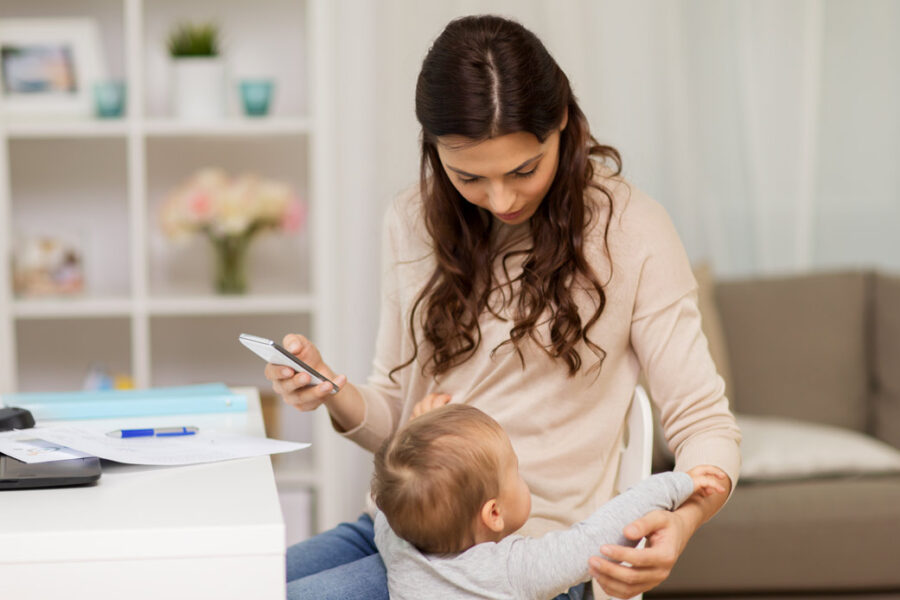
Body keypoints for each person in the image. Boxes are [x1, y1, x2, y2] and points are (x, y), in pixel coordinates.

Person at [267, 14, 741, 600]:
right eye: (469, 176)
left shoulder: (631, 231)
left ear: (561, 123)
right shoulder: (412, 222)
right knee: (216, 580)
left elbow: (705, 424)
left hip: (522, 562)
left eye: (524, 170)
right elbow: (396, 419)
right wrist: (329, 389)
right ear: (434, 149)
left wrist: (684, 521)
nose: (501, 199)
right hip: (399, 534)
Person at [371, 403, 727, 600]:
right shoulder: (513, 569)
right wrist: (673, 485)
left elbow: (389, 502)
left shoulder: (397, 544)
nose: (521, 473)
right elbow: (594, 538)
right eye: (516, 471)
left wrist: (416, 435)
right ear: (493, 514)